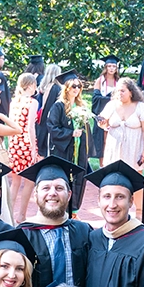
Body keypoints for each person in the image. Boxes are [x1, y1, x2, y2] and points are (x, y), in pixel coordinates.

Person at [18, 157, 94, 287]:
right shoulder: (22, 235)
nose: (52, 193)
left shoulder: (84, 232)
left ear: (69, 194)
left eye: (59, 188)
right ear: (35, 195)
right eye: (46, 188)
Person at [44, 73, 91, 212]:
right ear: (66, 88)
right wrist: (70, 133)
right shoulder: (58, 106)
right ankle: (61, 209)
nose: (76, 89)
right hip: (63, 150)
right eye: (73, 86)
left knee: (79, 177)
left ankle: (74, 210)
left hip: (79, 149)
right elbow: (52, 127)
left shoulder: (81, 106)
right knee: (64, 178)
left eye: (79, 86)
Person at [9, 73, 43, 221]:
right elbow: (30, 127)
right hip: (26, 144)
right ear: (31, 85)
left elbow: (10, 125)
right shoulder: (32, 102)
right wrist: (33, 148)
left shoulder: (14, 102)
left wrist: (11, 144)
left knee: (15, 182)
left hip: (15, 144)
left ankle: (8, 213)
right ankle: (21, 215)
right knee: (29, 181)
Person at [89, 56, 120, 161]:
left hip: (116, 114)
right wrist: (109, 99)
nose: (111, 68)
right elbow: (95, 98)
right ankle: (102, 163)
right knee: (102, 141)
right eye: (109, 66)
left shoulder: (119, 81)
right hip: (103, 113)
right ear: (105, 67)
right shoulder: (100, 81)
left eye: (114, 66)